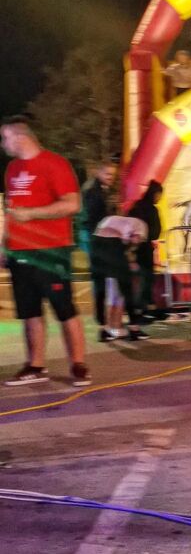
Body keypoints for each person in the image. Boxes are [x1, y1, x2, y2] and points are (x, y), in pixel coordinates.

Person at [1, 116, 90, 386]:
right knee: (29, 312)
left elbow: (72, 204)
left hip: (51, 251)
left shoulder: (55, 164)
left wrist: (32, 214)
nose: (3, 143)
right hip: (19, 252)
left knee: (65, 309)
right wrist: (4, 245)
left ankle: (78, 365)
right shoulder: (12, 169)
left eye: (4, 137)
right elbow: (10, 210)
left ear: (20, 136)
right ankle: (35, 365)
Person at [91, 216, 150, 341]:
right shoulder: (140, 225)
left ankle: (103, 329)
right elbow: (132, 239)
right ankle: (134, 328)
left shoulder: (114, 219)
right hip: (113, 246)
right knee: (126, 288)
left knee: (100, 290)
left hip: (96, 245)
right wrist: (130, 259)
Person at [82, 161, 120, 342]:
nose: (111, 178)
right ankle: (103, 326)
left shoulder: (102, 192)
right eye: (108, 174)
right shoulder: (94, 193)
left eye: (113, 175)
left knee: (106, 285)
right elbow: (92, 220)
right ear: (99, 172)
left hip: (101, 244)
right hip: (98, 245)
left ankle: (107, 325)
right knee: (102, 286)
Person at [128, 180, 163, 319]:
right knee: (146, 279)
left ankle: (141, 307)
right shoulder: (152, 209)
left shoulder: (136, 206)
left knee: (140, 279)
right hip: (145, 248)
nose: (159, 198)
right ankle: (142, 308)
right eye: (160, 195)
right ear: (155, 194)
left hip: (134, 247)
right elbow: (155, 231)